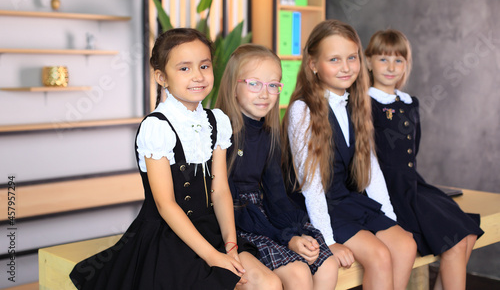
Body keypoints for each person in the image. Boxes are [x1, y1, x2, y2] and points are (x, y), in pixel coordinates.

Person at [70, 28, 280, 290]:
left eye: (204, 66)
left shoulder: (217, 121)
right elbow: (165, 204)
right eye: (184, 68)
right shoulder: (157, 127)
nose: (198, 76)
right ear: (161, 77)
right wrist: (213, 257)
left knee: (270, 283)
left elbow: (220, 191)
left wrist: (230, 245)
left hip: (212, 231)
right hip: (167, 237)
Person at [281, 19, 417, 290]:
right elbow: (312, 185)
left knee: (405, 244)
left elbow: (371, 166)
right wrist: (328, 240)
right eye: (334, 59)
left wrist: (389, 218)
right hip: (320, 208)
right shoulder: (302, 109)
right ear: (313, 65)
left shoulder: (356, 101)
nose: (346, 67)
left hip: (349, 200)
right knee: (379, 256)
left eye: (352, 58)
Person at [365, 29, 484, 290]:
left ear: (407, 64)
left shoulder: (410, 102)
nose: (391, 67)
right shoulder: (365, 103)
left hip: (413, 183)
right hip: (388, 189)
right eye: (383, 59)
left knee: (468, 234)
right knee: (454, 242)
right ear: (368, 61)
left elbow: (412, 150)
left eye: (399, 60)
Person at [215, 44, 339, 290]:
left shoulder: (270, 136)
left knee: (328, 263)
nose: (265, 93)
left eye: (273, 85)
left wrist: (295, 233)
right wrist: (286, 239)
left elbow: (277, 195)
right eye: (254, 83)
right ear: (233, 86)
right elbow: (224, 201)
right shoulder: (220, 134)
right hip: (236, 221)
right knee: (299, 273)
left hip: (264, 214)